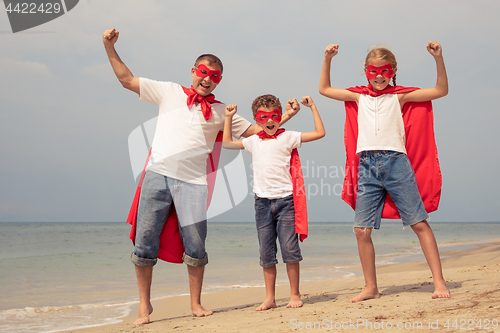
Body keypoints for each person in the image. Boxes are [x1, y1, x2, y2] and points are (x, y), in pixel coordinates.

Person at [102, 28, 298, 325]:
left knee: (195, 245)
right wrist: (108, 46)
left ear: (219, 80)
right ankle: (145, 307)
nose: (208, 79)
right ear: (193, 71)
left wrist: (286, 118)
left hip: (193, 184)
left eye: (215, 76)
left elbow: (262, 132)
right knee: (144, 242)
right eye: (204, 72)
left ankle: (195, 303)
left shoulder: (222, 111)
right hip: (157, 175)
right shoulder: (169, 91)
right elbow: (127, 80)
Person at [319, 42, 450, 302]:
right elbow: (323, 89)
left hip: (396, 163)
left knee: (418, 223)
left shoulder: (400, 96)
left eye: (384, 71)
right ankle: (371, 287)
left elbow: (440, 90)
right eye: (373, 71)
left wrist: (438, 58)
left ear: (393, 71)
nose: (379, 76)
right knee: (361, 229)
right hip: (366, 165)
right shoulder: (359, 96)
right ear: (366, 72)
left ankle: (439, 282)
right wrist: (327, 59)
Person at [223, 94, 325, 310]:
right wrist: (228, 118)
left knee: (289, 248)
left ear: (280, 116)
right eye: (263, 117)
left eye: (274, 116)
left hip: (286, 201)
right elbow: (226, 144)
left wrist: (313, 107)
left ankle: (294, 294)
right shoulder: (252, 141)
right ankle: (270, 298)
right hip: (261, 203)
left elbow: (319, 133)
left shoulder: (288, 136)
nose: (269, 121)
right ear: (256, 119)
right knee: (266, 251)